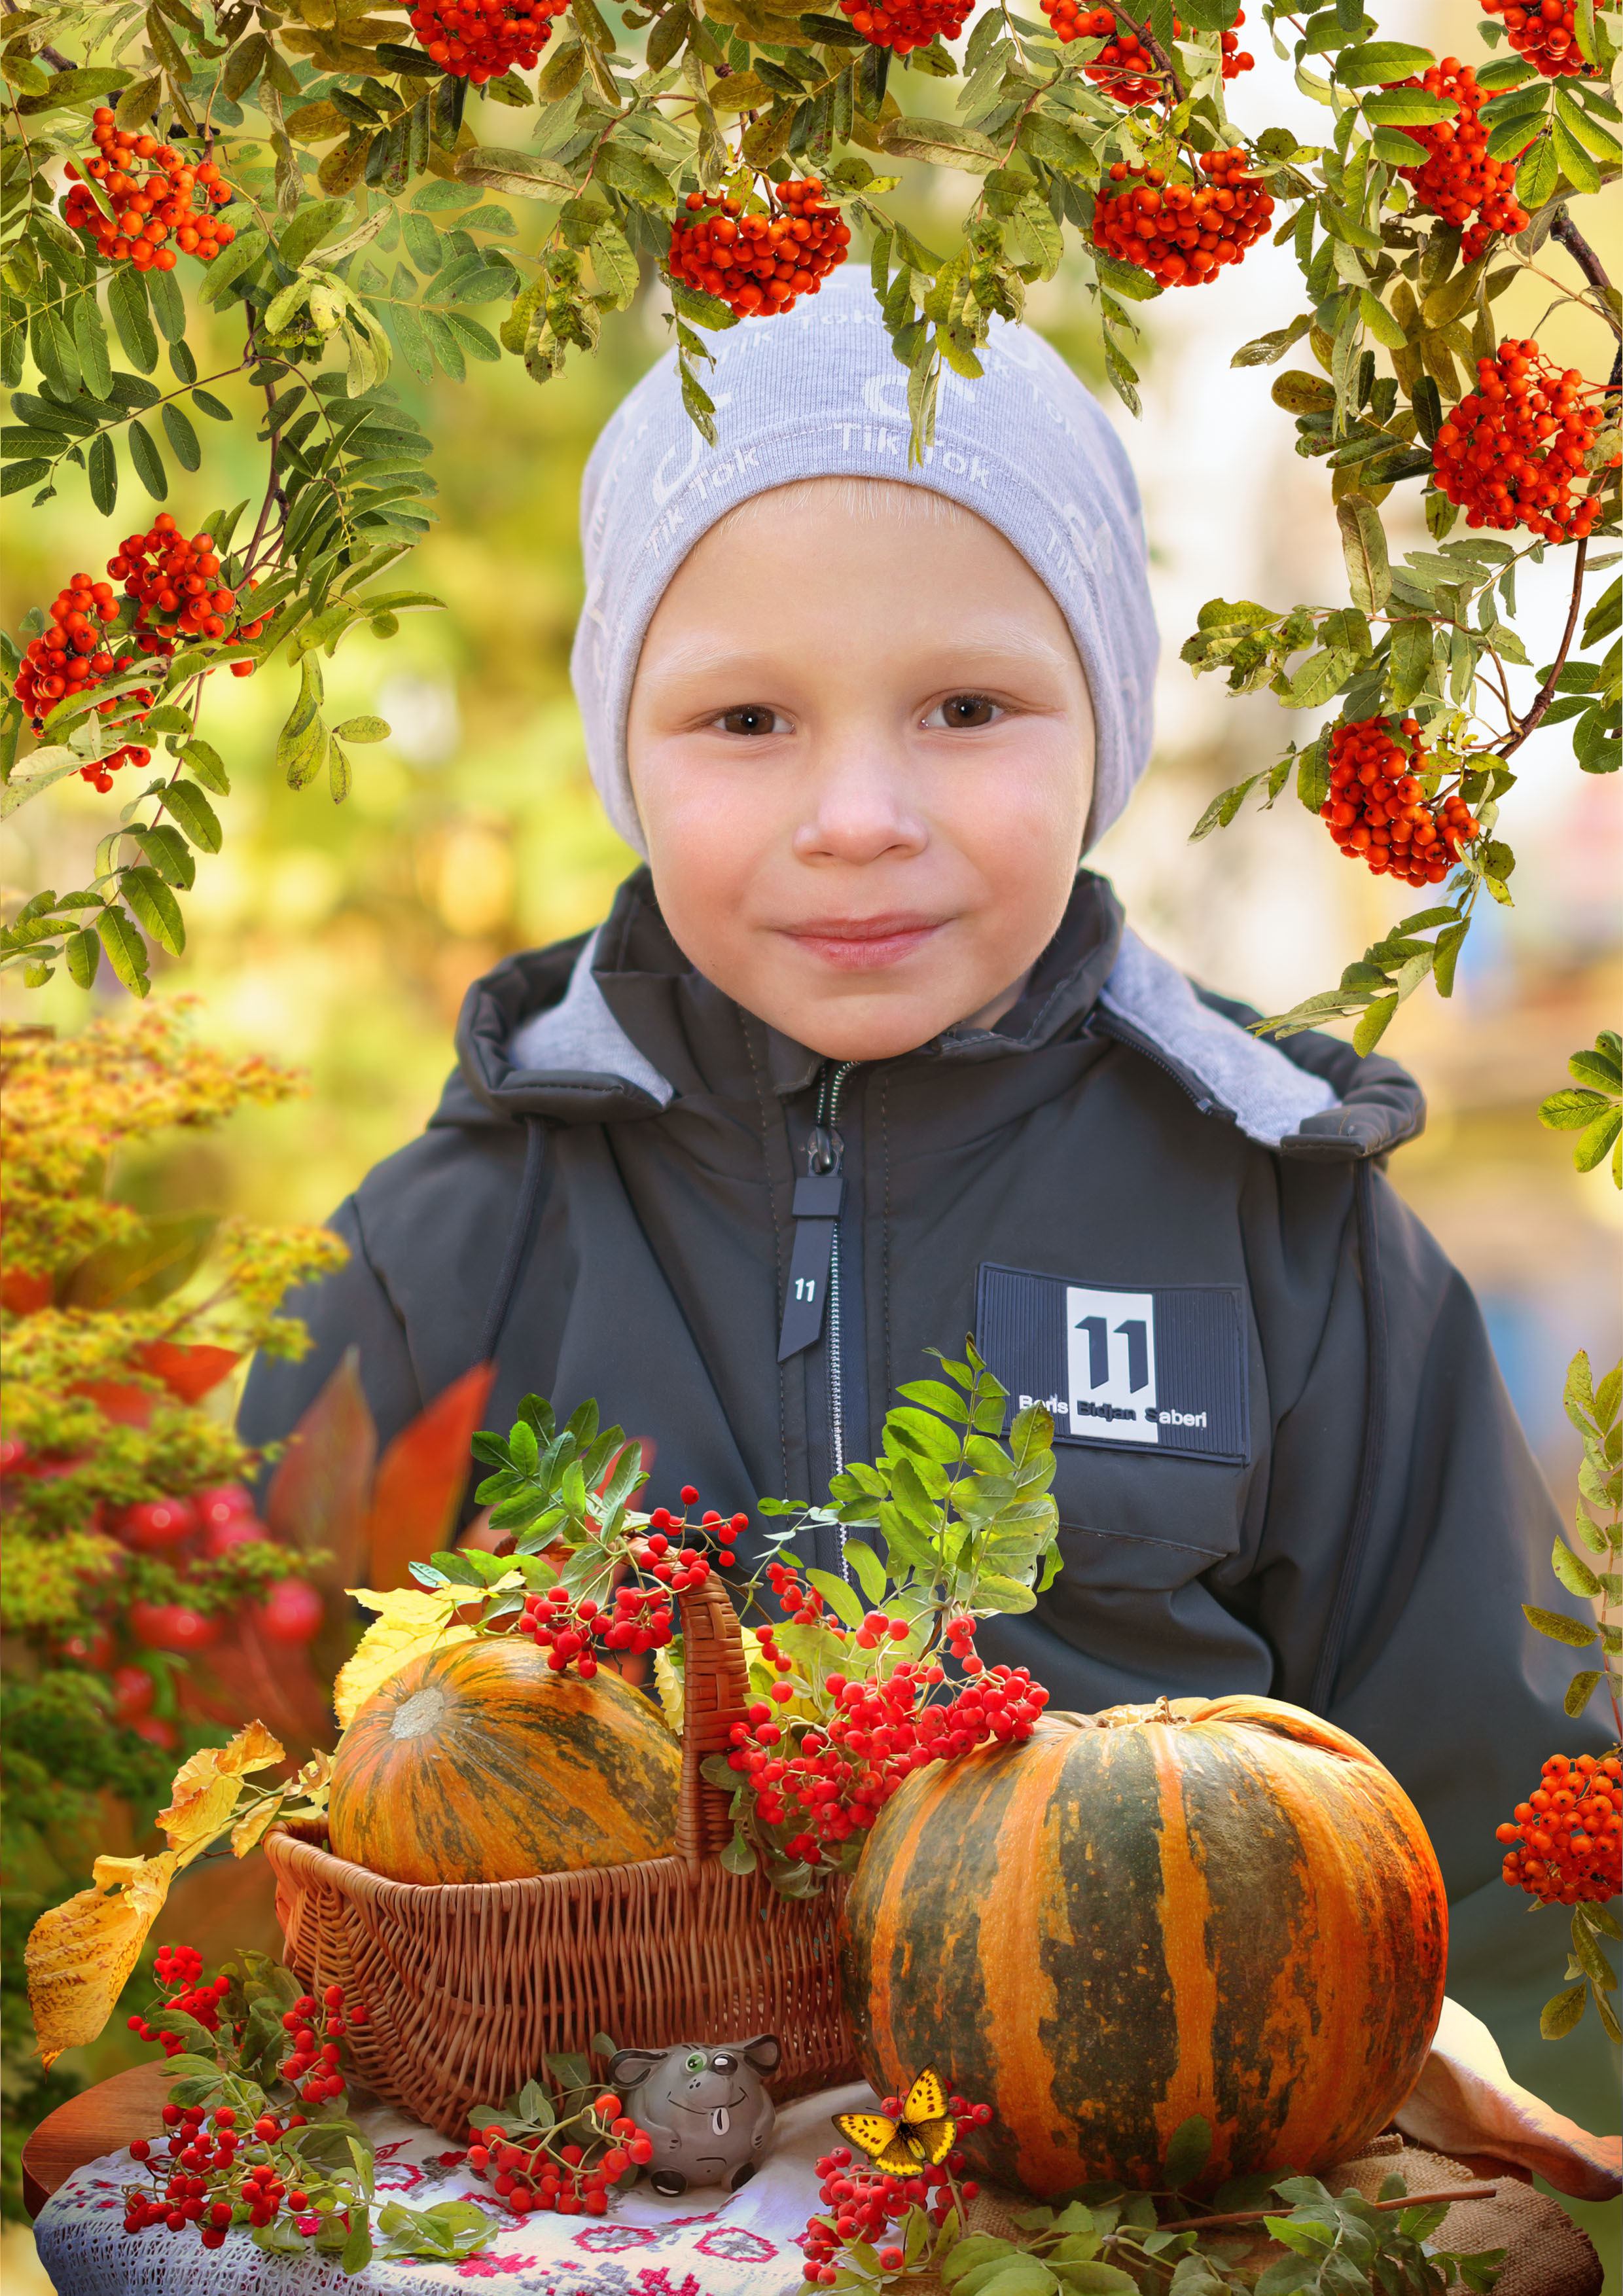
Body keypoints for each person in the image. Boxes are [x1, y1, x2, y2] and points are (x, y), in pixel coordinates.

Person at [240, 269, 1612, 2128]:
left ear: (1103, 725)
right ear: (622, 746)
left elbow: (1519, 1840)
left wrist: (1558, 2157)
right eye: (746, 721)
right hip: (576, 2209)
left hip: (1163, 2199)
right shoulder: (453, 1244)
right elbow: (244, 1811)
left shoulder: (1281, 1229)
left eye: (968, 706)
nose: (861, 812)